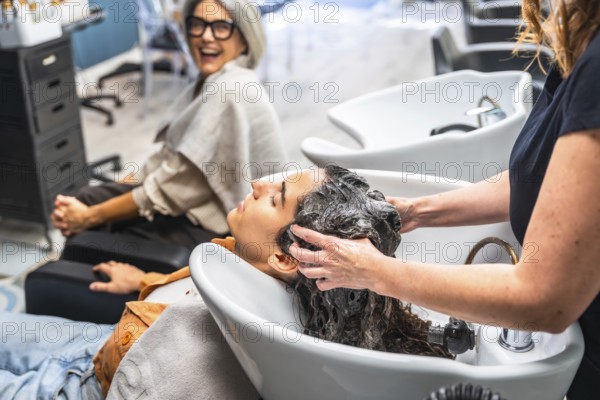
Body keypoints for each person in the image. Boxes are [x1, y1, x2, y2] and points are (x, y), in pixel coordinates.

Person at [288, 1, 600, 398]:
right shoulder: (579, 45)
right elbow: (540, 181)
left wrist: (375, 272)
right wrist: (419, 211)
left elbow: (545, 300)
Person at [1, 166, 451, 399]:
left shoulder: (196, 357)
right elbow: (190, 290)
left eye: (275, 198)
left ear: (283, 256)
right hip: (102, 347)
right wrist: (147, 280)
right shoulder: (250, 267)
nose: (257, 183)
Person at [51, 0, 285, 250]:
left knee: (90, 228)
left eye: (221, 27)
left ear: (244, 36)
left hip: (220, 225)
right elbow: (173, 157)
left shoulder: (230, 90)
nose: (206, 36)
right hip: (196, 201)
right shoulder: (218, 78)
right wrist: (125, 182)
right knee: (85, 199)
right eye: (198, 25)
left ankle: (72, 275)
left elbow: (174, 188)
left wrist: (88, 217)